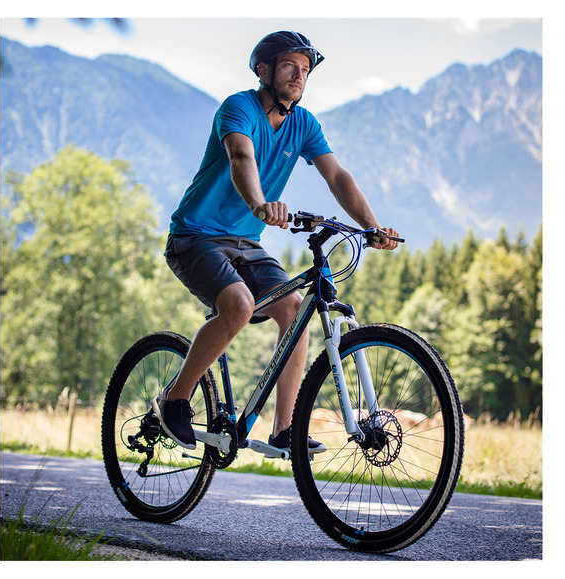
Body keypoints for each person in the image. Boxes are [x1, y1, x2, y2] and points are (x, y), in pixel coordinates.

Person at [153, 31, 400, 454]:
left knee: (294, 308)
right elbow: (240, 157)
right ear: (263, 69)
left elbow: (337, 177)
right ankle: (174, 399)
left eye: (305, 70)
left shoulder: (303, 123)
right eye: (290, 66)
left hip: (244, 242)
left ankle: (285, 428)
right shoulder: (239, 107)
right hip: (195, 236)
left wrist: (373, 226)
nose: (299, 75)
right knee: (239, 304)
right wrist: (259, 204)